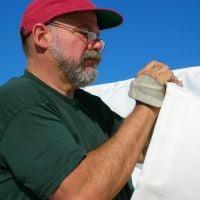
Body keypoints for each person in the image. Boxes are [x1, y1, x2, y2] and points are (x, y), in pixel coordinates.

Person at [0, 0, 182, 199]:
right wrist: (146, 105)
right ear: (42, 36)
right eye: (85, 33)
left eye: (98, 37)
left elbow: (141, 149)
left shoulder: (91, 105)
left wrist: (170, 104)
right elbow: (81, 194)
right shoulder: (18, 100)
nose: (96, 44)